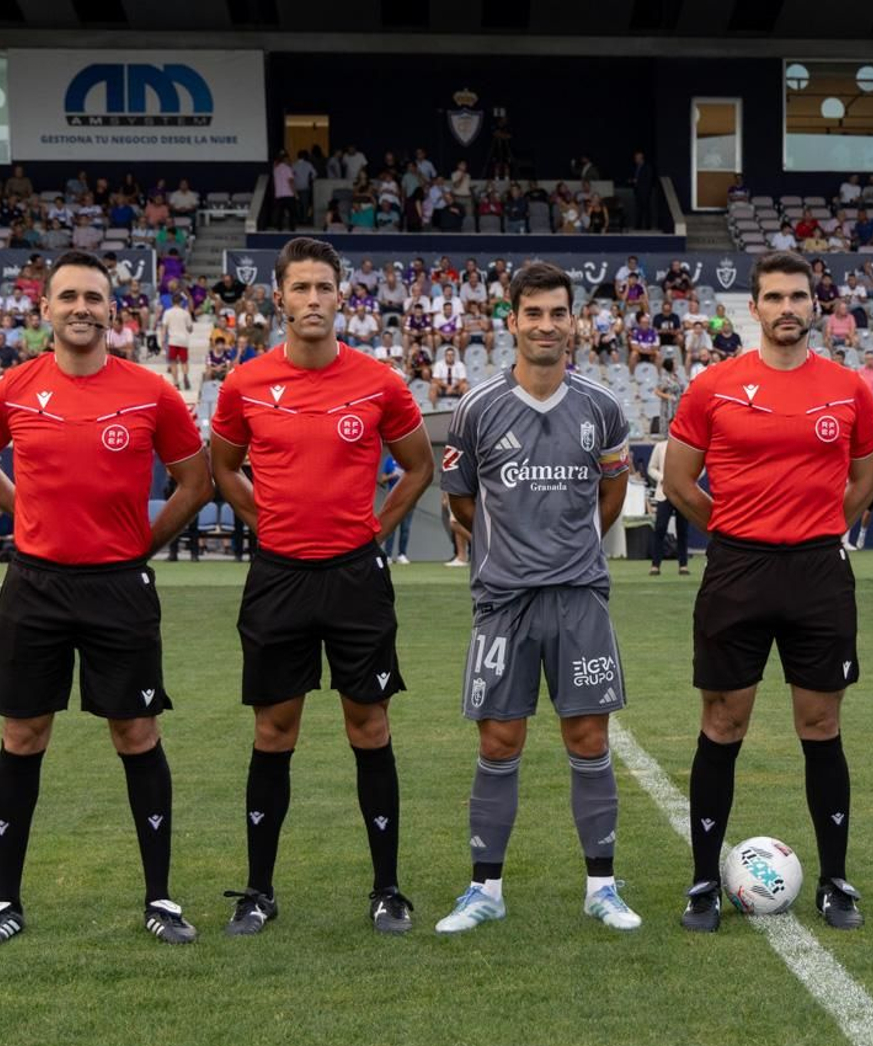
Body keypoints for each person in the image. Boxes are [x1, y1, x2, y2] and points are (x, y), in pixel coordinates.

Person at [0, 250, 211, 947]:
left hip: (118, 587)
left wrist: (140, 544)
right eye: (67, 296)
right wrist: (22, 512)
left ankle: (160, 897)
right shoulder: (11, 389)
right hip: (34, 585)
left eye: (93, 298)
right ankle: (4, 900)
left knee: (136, 731)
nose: (80, 308)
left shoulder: (150, 391)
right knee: (22, 734)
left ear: (112, 311)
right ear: (44, 309)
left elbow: (195, 481)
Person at [209, 238, 434, 937]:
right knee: (274, 729)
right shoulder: (245, 383)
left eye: (323, 288)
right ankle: (259, 890)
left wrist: (376, 525)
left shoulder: (379, 382)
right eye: (300, 287)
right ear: (279, 297)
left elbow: (417, 467)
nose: (312, 299)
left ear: (342, 298)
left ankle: (388, 889)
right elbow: (223, 468)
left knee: (368, 722)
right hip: (279, 576)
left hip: (354, 577)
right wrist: (262, 519)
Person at [663, 251, 873, 932]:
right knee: (722, 723)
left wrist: (816, 531)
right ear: (752, 309)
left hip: (818, 572)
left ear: (815, 306)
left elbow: (865, 481)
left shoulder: (849, 389)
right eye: (775, 297)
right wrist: (733, 532)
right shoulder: (714, 387)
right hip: (737, 571)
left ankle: (837, 878)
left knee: (821, 726)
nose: (787, 308)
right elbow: (678, 483)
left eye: (799, 296)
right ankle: (703, 880)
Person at [434, 262, 640, 934]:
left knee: (588, 734)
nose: (546, 325)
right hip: (503, 600)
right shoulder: (477, 409)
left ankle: (602, 887)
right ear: (512, 321)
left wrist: (571, 543)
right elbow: (461, 498)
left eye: (558, 313)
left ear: (574, 321)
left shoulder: (602, 408)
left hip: (579, 594)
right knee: (498, 739)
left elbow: (612, 493)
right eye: (534, 314)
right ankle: (484, 889)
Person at [647, 436, 689, 576]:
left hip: (682, 492)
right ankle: (655, 565)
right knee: (660, 528)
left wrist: (689, 479)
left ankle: (683, 565)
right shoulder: (660, 446)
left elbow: (700, 468)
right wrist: (662, 478)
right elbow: (651, 468)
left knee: (682, 529)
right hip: (664, 492)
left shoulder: (688, 447)